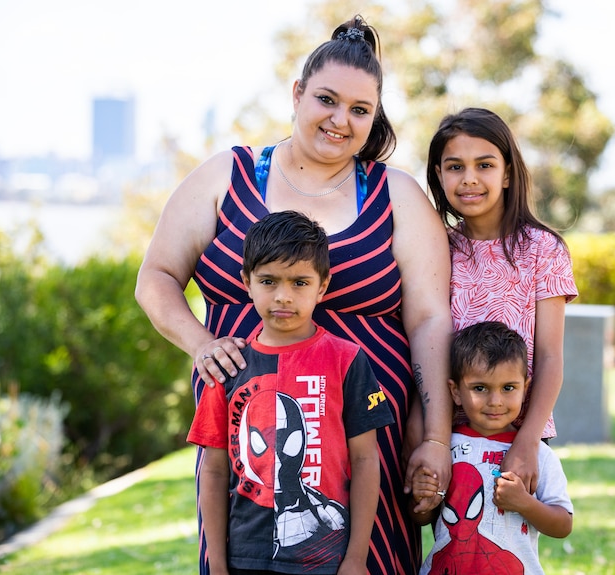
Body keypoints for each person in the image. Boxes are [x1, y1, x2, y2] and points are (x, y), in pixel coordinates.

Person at [135, 15, 454, 575]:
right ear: (297, 94)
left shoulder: (397, 195)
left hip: (365, 447)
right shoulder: (226, 177)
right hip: (249, 447)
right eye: (327, 100)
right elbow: (156, 277)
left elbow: (429, 321)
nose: (341, 120)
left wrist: (432, 435)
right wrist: (202, 344)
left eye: (360, 110)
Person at [186, 210, 395, 575]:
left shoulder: (347, 360)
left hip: (325, 561)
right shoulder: (228, 366)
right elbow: (214, 471)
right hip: (243, 559)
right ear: (246, 282)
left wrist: (356, 558)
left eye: (299, 283)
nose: (283, 296)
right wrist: (215, 564)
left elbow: (365, 461)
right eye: (268, 281)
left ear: (322, 286)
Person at [424, 107, 578, 498]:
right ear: (439, 176)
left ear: (507, 173)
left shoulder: (543, 250)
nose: (469, 178)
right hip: (452, 434)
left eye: (485, 165)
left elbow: (549, 358)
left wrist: (527, 443)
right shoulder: (436, 247)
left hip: (518, 434)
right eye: (455, 167)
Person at [411, 321, 573, 575]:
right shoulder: (445, 450)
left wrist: (524, 503)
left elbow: (563, 525)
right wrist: (422, 496)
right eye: (480, 388)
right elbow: (422, 519)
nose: (495, 401)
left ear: (525, 388)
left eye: (508, 388)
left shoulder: (537, 455)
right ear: (455, 392)